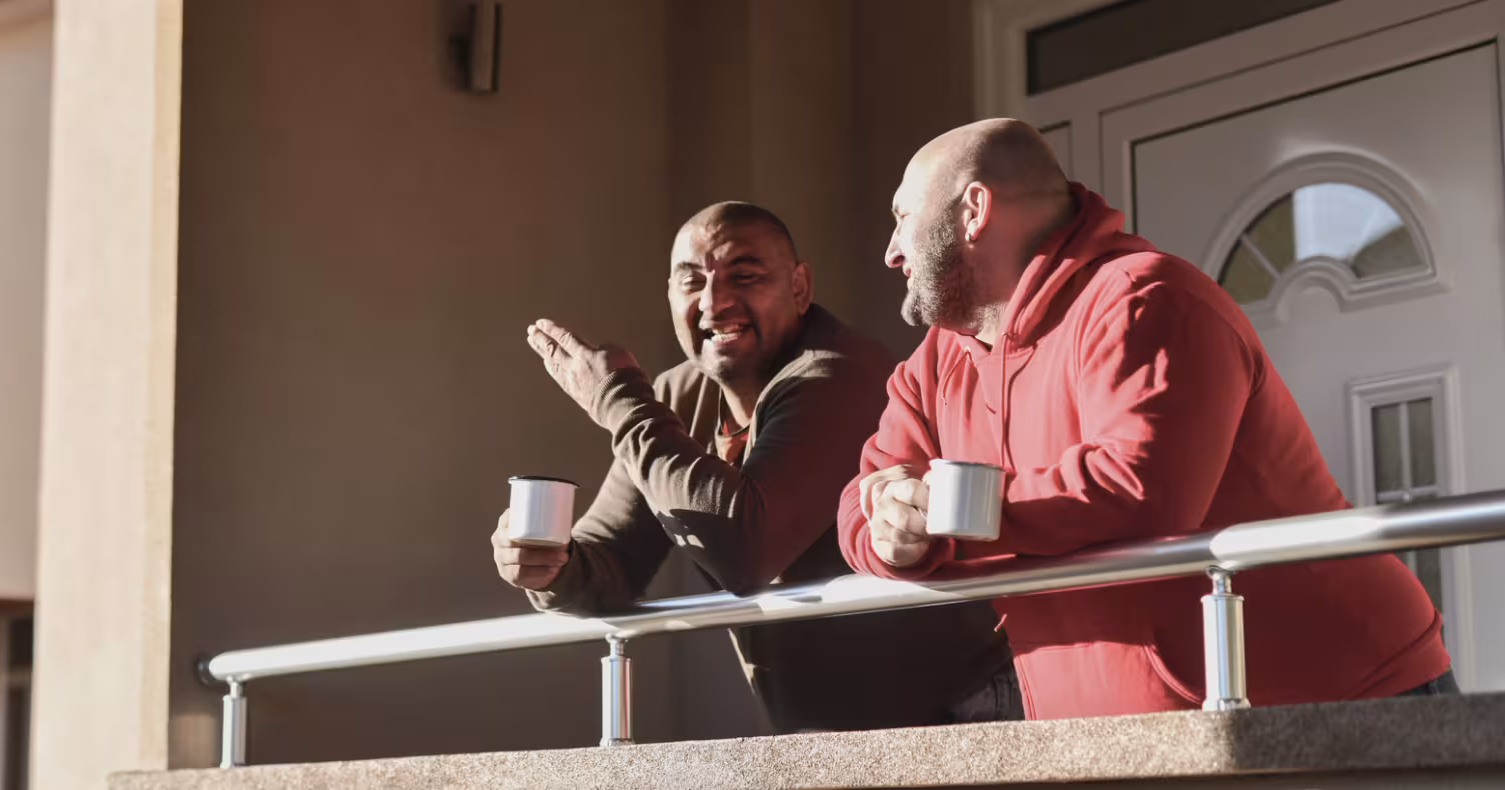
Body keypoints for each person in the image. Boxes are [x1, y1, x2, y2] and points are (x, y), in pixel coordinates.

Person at [839, 119, 1454, 719]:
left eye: (902, 217)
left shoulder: (1147, 297)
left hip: (1339, 695)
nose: (891, 252)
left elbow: (1140, 488)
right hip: (1124, 729)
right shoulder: (935, 361)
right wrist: (892, 537)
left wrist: (950, 513)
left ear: (974, 210)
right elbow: (863, 500)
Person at [492, 202, 1017, 731]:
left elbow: (746, 550)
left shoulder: (838, 373)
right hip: (833, 730)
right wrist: (548, 565)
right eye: (691, 281)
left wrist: (618, 403)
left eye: (744, 276)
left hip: (960, 709)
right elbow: (614, 559)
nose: (713, 303)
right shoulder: (674, 398)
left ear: (799, 287)